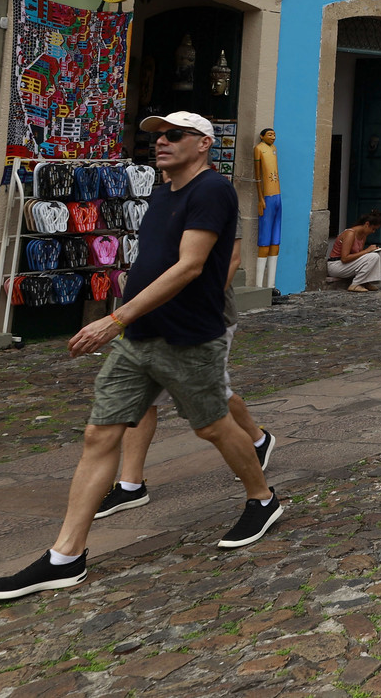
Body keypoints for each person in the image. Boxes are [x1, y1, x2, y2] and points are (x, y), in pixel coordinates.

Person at [0, 112, 279, 602]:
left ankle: (261, 498)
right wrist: (126, 313)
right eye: (155, 135)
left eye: (173, 135)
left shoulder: (212, 190)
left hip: (188, 336)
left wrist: (112, 318)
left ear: (202, 143)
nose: (160, 142)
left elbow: (190, 265)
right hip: (139, 334)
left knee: (213, 426)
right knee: (100, 432)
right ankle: (65, 556)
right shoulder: (162, 191)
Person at [92, 208, 275, 525]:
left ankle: (258, 444)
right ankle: (130, 484)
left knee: (211, 396)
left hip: (202, 318)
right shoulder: (162, 199)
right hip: (152, 315)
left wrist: (197, 307)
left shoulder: (213, 195)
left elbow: (231, 260)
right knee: (144, 396)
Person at [326, 211, 381, 291]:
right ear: (367, 224)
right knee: (373, 256)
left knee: (378, 254)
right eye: (373, 229)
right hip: (336, 265)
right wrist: (367, 251)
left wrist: (372, 251)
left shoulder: (363, 235)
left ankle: (365, 281)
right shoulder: (350, 234)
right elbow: (345, 258)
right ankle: (355, 284)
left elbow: (358, 255)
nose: (373, 232)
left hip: (347, 265)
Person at [253, 128, 279, 280]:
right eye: (270, 135)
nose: (273, 137)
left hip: (277, 196)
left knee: (276, 239)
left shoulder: (274, 149)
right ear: (262, 136)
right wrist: (260, 197)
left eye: (274, 135)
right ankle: (258, 284)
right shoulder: (258, 149)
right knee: (265, 238)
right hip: (267, 197)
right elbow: (257, 176)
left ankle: (271, 285)